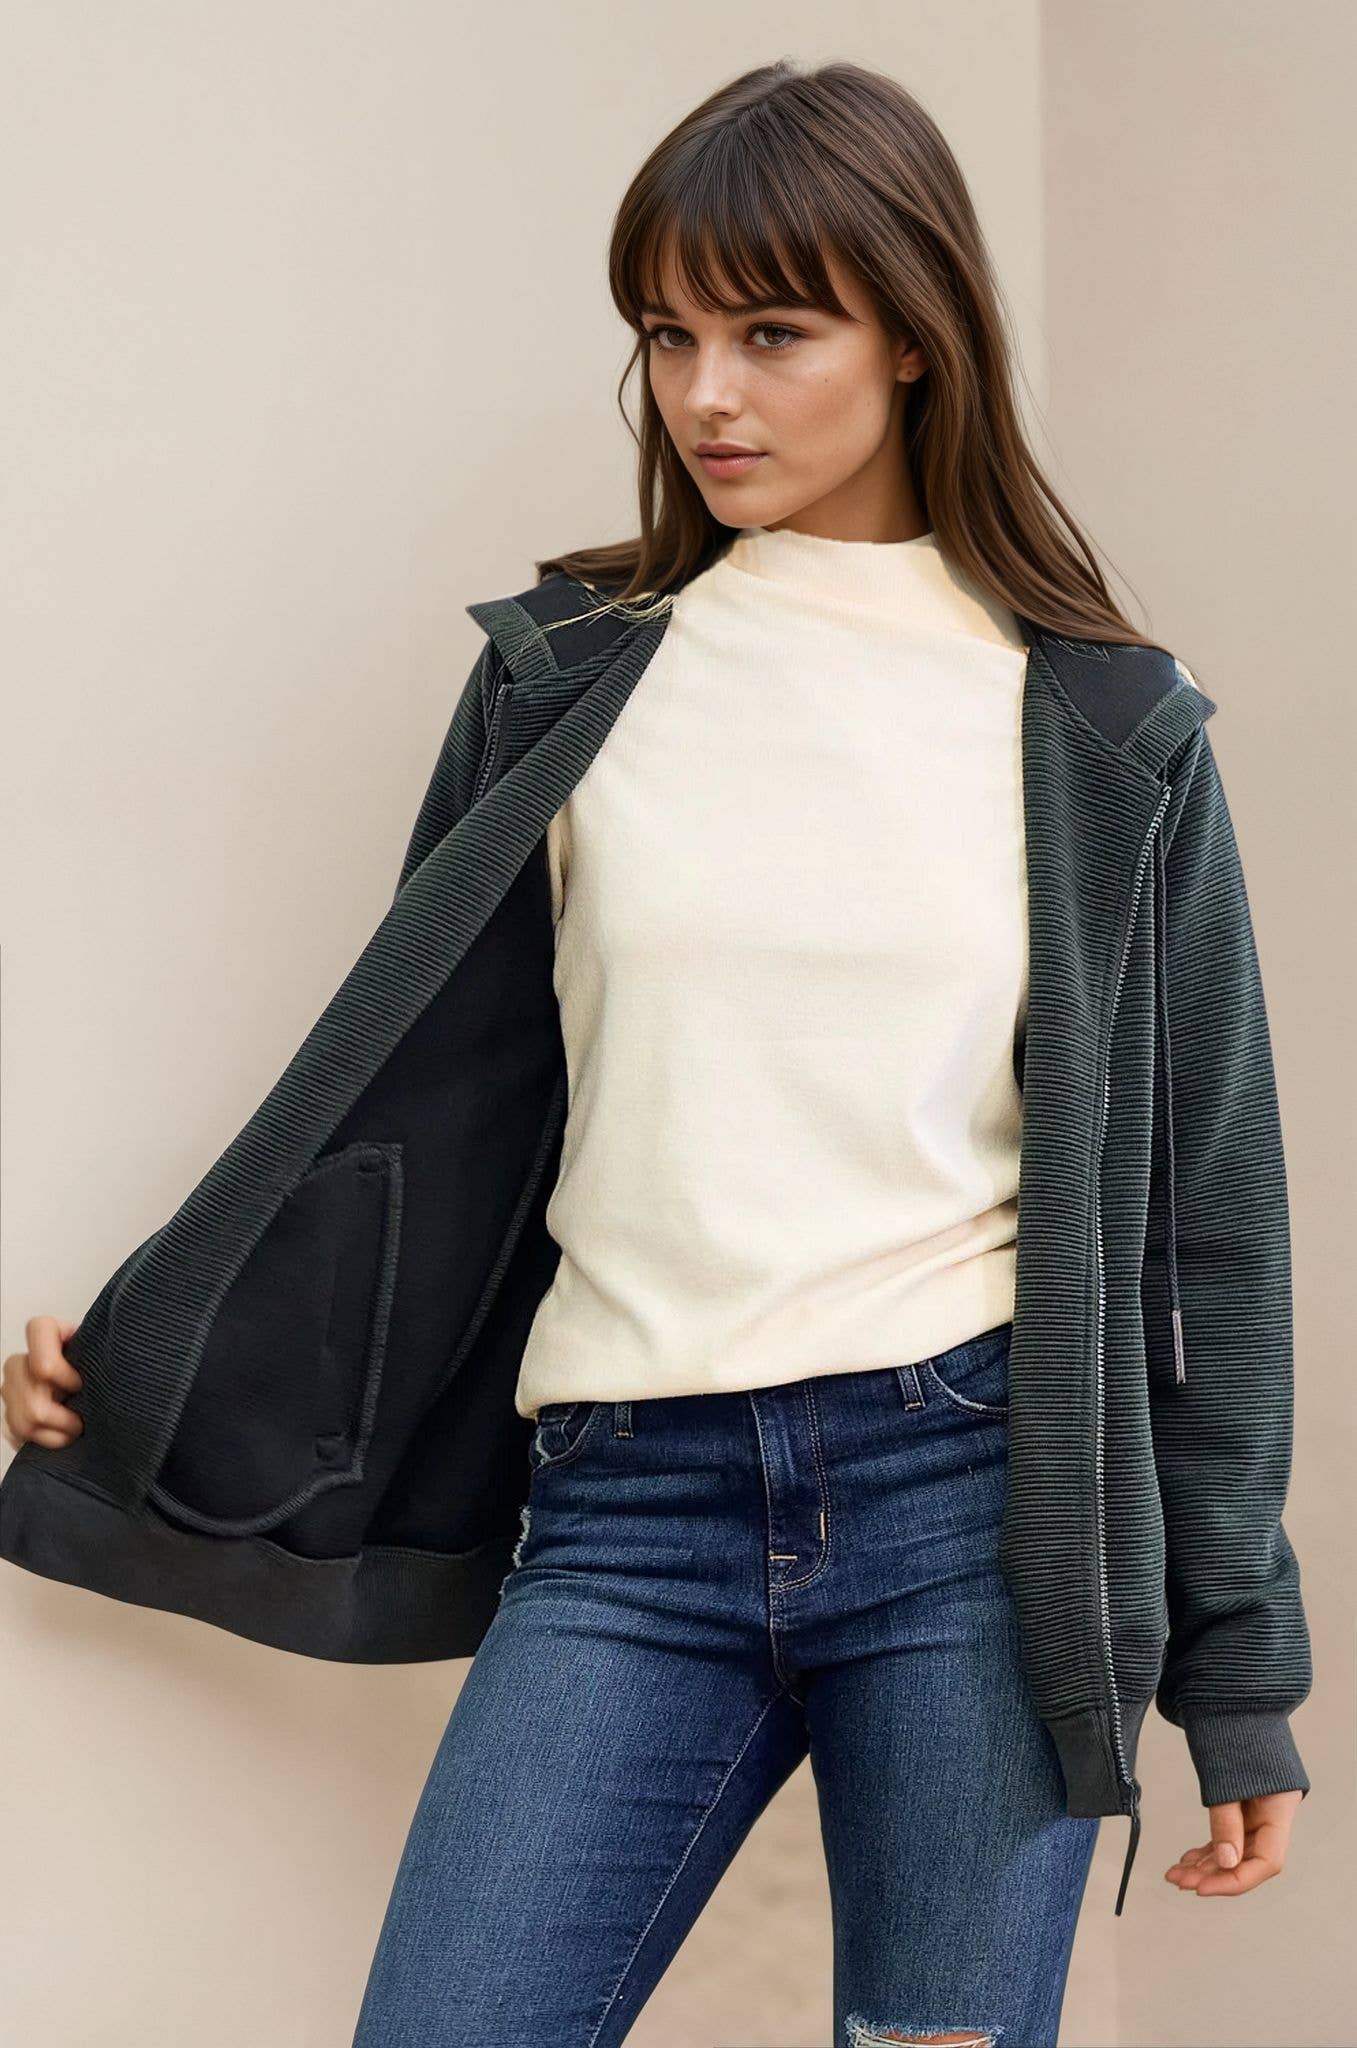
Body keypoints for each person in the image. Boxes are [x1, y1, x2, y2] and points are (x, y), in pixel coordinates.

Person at [2, 57, 1312, 2048]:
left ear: (914, 339)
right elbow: (413, 1116)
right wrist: (155, 1368)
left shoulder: (1103, 731)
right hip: (626, 1509)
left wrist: (1236, 1663)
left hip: (976, 1513)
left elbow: (1209, 1227)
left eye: (771, 332)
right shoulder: (567, 679)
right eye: (666, 335)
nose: (706, 394)